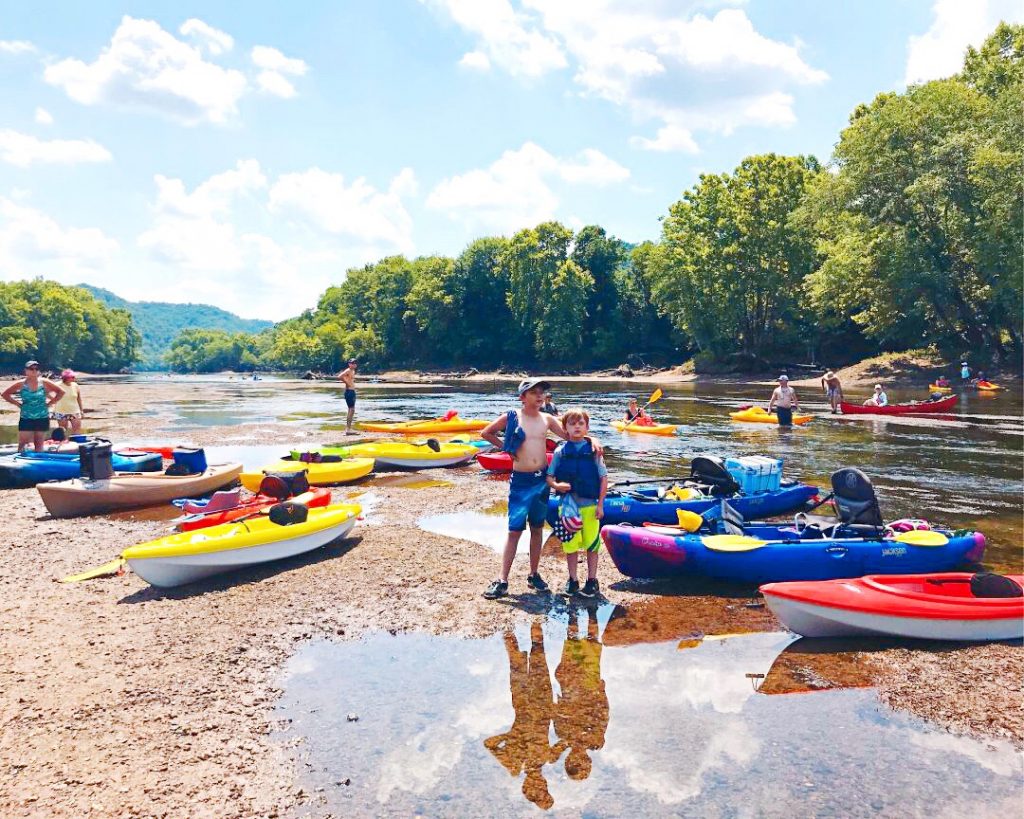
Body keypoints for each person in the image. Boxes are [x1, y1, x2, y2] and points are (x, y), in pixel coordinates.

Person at [481, 379, 588, 599]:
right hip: (520, 482)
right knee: (514, 531)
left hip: (541, 481)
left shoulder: (547, 419)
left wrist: (591, 440)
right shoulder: (512, 416)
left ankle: (534, 574)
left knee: (537, 528)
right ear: (522, 397)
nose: (539, 396)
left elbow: (570, 435)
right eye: (534, 393)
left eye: (542, 393)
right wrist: (507, 449)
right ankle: (502, 580)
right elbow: (486, 433)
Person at [484, 624, 558, 810]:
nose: (541, 783)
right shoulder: (548, 757)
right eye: (544, 787)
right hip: (543, 700)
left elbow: (489, 744)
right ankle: (535, 617)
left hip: (522, 703)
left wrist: (511, 735)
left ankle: (504, 622)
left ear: (526, 787)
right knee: (538, 652)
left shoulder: (514, 765)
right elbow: (567, 739)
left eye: (537, 788)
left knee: (515, 659)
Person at [547, 409, 607, 598]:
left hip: (590, 505)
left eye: (581, 424)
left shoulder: (594, 451)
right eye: (572, 424)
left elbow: (604, 478)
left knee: (592, 544)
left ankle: (592, 580)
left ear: (587, 428)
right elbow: (549, 477)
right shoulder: (560, 452)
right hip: (567, 507)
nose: (577, 427)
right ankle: (573, 580)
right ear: (565, 428)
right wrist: (556, 485)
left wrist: (600, 505)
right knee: (570, 546)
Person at [552, 611, 608, 783]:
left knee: (572, 643)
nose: (579, 760)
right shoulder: (596, 741)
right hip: (591, 688)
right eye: (583, 764)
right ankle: (592, 611)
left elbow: (555, 710)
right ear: (588, 762)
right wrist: (603, 693)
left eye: (574, 763)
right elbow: (604, 716)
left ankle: (572, 614)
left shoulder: (562, 736)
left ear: (568, 760)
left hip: (569, 685)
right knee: (592, 644)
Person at [2, 360, 65, 452]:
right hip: (26, 417)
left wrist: (50, 403)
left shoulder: (44, 382)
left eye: (37, 368)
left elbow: (61, 392)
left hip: (42, 416)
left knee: (39, 442)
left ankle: (38, 461)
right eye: (31, 369)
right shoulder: (21, 383)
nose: (34, 371)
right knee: (23, 442)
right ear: (26, 371)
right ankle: (19, 460)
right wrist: (18, 404)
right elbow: (5, 394)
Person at [338, 359, 358, 435]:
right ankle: (348, 429)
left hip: (351, 391)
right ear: (349, 364)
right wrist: (347, 383)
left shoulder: (352, 371)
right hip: (349, 392)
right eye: (352, 363)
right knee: (351, 410)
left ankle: (348, 429)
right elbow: (340, 376)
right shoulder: (348, 370)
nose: (353, 364)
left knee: (351, 410)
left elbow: (350, 379)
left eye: (354, 363)